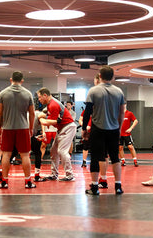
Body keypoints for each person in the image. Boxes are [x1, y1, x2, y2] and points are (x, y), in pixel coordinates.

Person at [82, 65, 126, 195]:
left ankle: (95, 187)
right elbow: (122, 113)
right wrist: (119, 127)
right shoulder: (119, 92)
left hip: (98, 129)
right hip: (113, 129)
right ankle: (118, 186)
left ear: (100, 76)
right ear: (113, 77)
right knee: (115, 158)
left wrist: (84, 128)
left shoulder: (93, 91)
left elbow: (87, 112)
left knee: (96, 157)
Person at [0, 71, 35, 189]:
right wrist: (31, 128)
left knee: (6, 155)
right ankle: (28, 181)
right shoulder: (28, 94)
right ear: (22, 81)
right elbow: (32, 113)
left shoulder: (3, 93)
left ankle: (4, 181)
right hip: (23, 128)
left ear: (10, 79)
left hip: (7, 128)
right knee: (25, 155)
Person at [37, 87, 76, 182]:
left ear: (45, 95)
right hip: (62, 127)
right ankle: (54, 174)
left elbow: (52, 122)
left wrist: (42, 119)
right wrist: (43, 116)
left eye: (39, 97)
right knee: (53, 151)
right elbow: (48, 116)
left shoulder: (53, 104)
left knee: (62, 151)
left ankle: (70, 175)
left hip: (68, 127)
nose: (39, 100)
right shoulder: (51, 104)